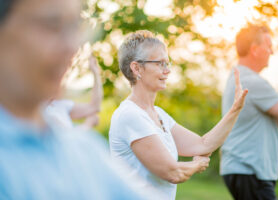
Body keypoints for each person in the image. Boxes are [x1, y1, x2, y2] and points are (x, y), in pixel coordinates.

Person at [0, 0, 145, 199]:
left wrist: (95, 74)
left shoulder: (85, 149)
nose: (71, 47)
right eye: (52, 25)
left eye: (75, 26)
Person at [109, 30, 248, 200]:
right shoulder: (130, 115)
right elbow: (172, 172)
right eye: (160, 63)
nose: (167, 70)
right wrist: (196, 165)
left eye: (167, 63)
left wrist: (235, 110)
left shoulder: (159, 114)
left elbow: (202, 145)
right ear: (136, 68)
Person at [220, 24, 278, 200]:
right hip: (249, 172)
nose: (272, 51)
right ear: (255, 49)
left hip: (245, 171)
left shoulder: (242, 77)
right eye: (268, 45)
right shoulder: (251, 81)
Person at [46, 55, 103, 130]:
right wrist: (88, 124)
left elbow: (94, 107)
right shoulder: (39, 111)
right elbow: (67, 138)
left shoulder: (59, 104)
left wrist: (95, 72)